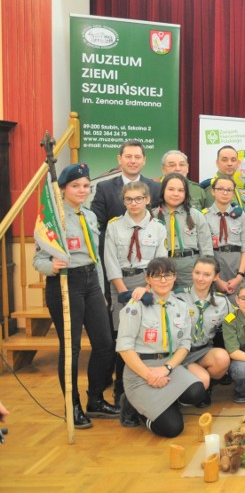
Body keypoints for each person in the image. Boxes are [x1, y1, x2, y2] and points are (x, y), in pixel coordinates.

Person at [33, 163, 118, 428]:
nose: (82, 190)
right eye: (76, 186)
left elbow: (97, 257)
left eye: (86, 186)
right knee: (70, 349)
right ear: (63, 189)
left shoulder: (90, 216)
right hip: (65, 283)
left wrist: (103, 291)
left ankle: (95, 400)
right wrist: (52, 266)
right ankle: (73, 406)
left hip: (91, 280)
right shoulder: (53, 219)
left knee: (105, 344)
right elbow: (38, 260)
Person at [116, 258, 205, 436]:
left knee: (198, 392)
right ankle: (133, 405)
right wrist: (149, 375)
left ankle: (164, 403)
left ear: (175, 277)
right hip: (140, 371)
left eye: (168, 275)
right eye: (157, 276)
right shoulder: (135, 305)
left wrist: (167, 368)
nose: (163, 280)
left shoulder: (181, 305)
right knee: (172, 429)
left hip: (167, 366)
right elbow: (125, 348)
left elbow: (184, 344)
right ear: (148, 279)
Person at [103, 181, 168, 400]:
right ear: (124, 201)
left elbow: (161, 262)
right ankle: (121, 390)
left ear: (148, 199)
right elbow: (110, 262)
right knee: (124, 338)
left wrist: (147, 287)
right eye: (129, 199)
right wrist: (124, 292)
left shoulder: (158, 228)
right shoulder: (114, 227)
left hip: (149, 284)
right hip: (121, 285)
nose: (134, 203)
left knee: (147, 335)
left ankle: (145, 382)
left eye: (139, 198)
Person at [174, 257, 232, 408]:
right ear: (192, 272)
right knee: (202, 380)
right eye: (197, 273)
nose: (200, 278)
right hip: (179, 353)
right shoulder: (178, 297)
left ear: (216, 277)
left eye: (206, 274)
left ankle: (205, 388)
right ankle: (188, 388)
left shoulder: (221, 301)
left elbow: (236, 317)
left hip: (201, 351)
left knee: (222, 358)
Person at [91, 140, 161, 237]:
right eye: (128, 157)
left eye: (137, 157)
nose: (133, 161)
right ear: (119, 159)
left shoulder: (156, 188)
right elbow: (97, 226)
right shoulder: (104, 188)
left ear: (144, 160)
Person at [155, 173, 214, 289]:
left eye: (181, 190)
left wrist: (206, 272)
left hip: (191, 270)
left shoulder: (195, 215)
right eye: (171, 189)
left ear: (186, 193)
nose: (176, 194)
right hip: (163, 270)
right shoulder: (153, 216)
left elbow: (206, 247)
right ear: (163, 191)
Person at [202, 175, 245, 298]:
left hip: (236, 265)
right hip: (214, 263)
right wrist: (216, 279)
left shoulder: (240, 215)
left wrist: (239, 277)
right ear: (213, 191)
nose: (225, 193)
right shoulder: (204, 216)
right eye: (220, 189)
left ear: (233, 193)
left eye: (229, 190)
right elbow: (204, 250)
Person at [202, 145, 245, 209]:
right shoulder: (210, 187)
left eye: (233, 160)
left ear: (238, 163)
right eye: (225, 160)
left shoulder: (236, 188)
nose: (230, 163)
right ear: (217, 163)